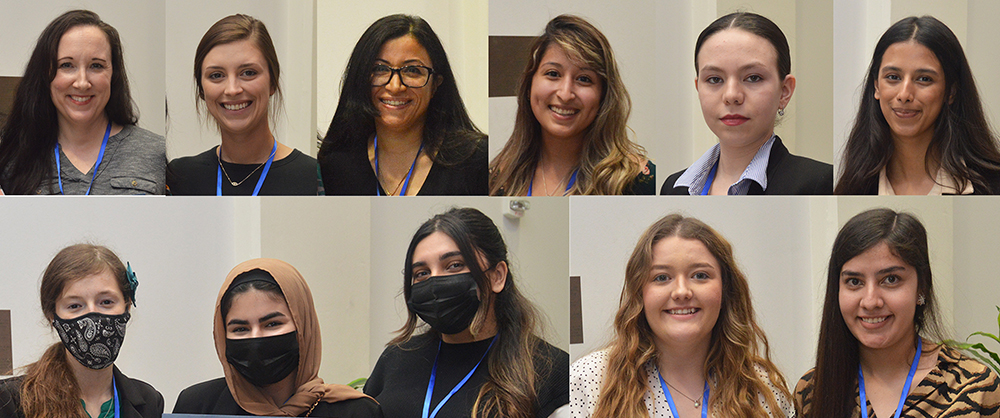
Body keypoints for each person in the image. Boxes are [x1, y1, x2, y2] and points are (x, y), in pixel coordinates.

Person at [571, 214, 794, 417]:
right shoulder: (589, 381)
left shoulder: (764, 388)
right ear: (640, 293)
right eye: (661, 277)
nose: (681, 292)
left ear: (726, 290)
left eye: (700, 275)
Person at [795, 208, 1000, 417]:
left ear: (922, 287)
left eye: (890, 279)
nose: (870, 301)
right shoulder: (813, 390)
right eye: (854, 282)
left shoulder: (975, 387)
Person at [365, 208, 568, 417]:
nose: (435, 282)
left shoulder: (550, 371)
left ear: (497, 276)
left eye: (454, 265)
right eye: (422, 273)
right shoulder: (395, 360)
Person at [173, 258, 380, 417]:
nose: (256, 338)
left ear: (303, 327)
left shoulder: (354, 412)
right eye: (240, 329)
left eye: (272, 324)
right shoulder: (198, 406)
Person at [661, 12, 832, 195]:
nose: (732, 95)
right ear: (698, 88)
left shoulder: (820, 183)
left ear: (784, 91)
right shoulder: (673, 187)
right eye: (714, 79)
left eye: (753, 77)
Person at [317, 14, 488, 196]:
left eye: (412, 70)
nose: (395, 86)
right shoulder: (334, 166)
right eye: (380, 69)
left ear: (436, 84)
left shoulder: (478, 160)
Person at [0, 10, 166, 195]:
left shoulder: (156, 152)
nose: (82, 83)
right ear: (45, 75)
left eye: (96, 66)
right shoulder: (12, 155)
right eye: (66, 65)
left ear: (113, 74)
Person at [489, 15, 654, 196]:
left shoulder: (640, 180)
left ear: (604, 95)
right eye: (553, 74)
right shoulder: (500, 177)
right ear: (529, 84)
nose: (565, 94)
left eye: (584, 79)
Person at [834, 16, 1000, 195]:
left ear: (950, 92)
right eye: (893, 77)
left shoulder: (992, 185)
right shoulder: (853, 186)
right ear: (876, 86)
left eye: (924, 79)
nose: (904, 95)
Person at [0, 244, 163, 418]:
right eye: (75, 305)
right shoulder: (12, 401)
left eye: (106, 302)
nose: (92, 315)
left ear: (127, 307)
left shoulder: (149, 401)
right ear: (52, 316)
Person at [167, 15, 321, 196]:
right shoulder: (178, 177)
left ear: (272, 82)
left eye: (248, 72)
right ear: (202, 90)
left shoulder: (314, 178)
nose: (232, 90)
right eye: (216, 75)